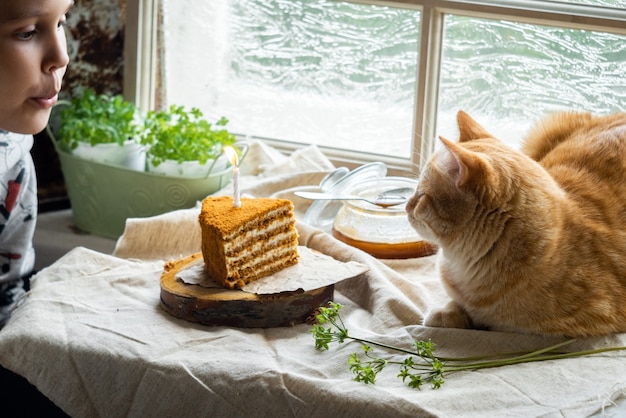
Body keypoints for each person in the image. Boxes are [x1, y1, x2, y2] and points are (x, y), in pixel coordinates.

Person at [0, 0, 72, 328]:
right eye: (27, 32)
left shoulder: (13, 159)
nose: (61, 57)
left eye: (61, 22)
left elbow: (5, 296)